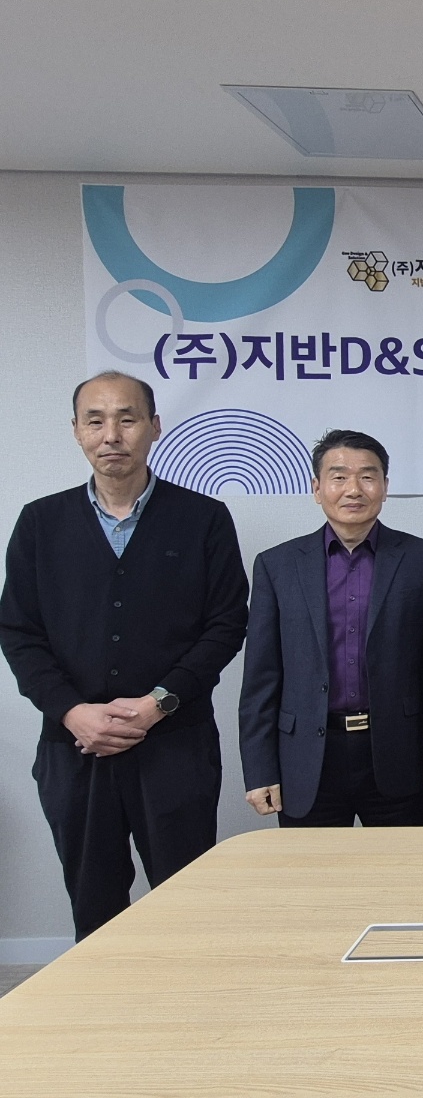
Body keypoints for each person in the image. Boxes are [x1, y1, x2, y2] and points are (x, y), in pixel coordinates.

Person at [0, 372, 248, 939]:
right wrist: (72, 711)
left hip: (175, 744)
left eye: (127, 418)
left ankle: (183, 999)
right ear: (77, 431)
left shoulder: (204, 518)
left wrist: (159, 703)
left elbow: (226, 624)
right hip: (74, 747)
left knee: (185, 907)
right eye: (96, 420)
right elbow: (19, 631)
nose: (111, 434)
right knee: (94, 909)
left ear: (154, 427)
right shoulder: (40, 522)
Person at [238, 430, 423, 827]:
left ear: (385, 486)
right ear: (317, 489)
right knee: (313, 869)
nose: (354, 489)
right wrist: (260, 768)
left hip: (399, 753)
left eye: (368, 476)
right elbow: (261, 677)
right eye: (338, 477)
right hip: (306, 759)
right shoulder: (278, 566)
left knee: (402, 866)